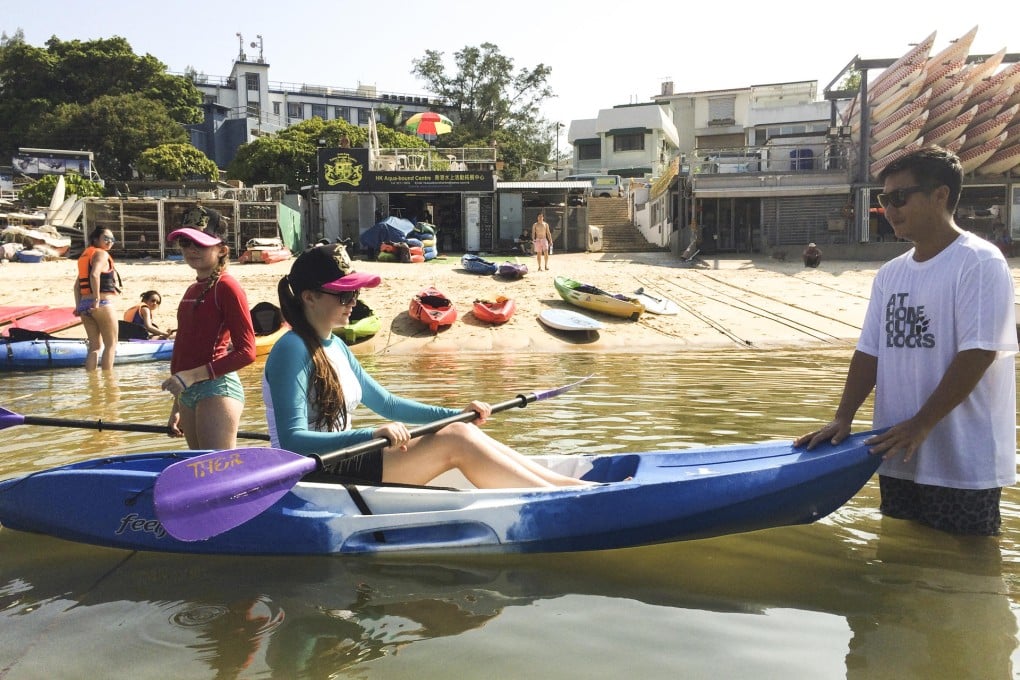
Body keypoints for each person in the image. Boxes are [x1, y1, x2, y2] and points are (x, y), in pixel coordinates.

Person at [795, 146, 1017, 536]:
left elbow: (979, 352)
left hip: (959, 460)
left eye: (900, 197)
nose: (889, 209)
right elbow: (869, 352)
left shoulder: (978, 262)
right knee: (900, 561)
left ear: (940, 195)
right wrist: (843, 417)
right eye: (884, 199)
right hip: (897, 451)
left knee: (965, 572)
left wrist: (921, 424)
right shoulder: (891, 275)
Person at [263, 243, 590, 489]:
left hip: (344, 461)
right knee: (457, 441)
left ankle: (571, 489)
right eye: (344, 296)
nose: (354, 303)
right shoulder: (291, 350)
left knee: (460, 430)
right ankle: (562, 498)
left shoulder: (335, 346)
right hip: (313, 475)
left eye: (356, 294)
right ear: (309, 297)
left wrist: (457, 415)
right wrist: (370, 434)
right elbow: (294, 442)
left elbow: (388, 403)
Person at [161, 208, 256, 450]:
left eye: (201, 244)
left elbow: (247, 351)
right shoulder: (192, 289)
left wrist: (191, 377)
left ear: (222, 250)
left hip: (217, 388)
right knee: (200, 470)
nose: (191, 250)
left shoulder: (227, 287)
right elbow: (185, 347)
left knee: (218, 473)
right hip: (188, 393)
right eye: (186, 242)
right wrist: (177, 402)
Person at [73, 227, 120, 371]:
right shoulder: (101, 254)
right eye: (106, 238)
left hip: (84, 305)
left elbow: (76, 286)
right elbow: (94, 275)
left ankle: (92, 384)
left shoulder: (86, 256)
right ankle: (108, 383)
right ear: (95, 239)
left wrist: (78, 306)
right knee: (111, 345)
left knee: (94, 348)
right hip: (101, 304)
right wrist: (97, 299)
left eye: (112, 239)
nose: (109, 242)